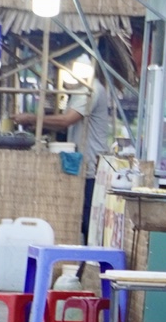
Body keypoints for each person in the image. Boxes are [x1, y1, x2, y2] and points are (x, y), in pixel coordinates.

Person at [36, 67, 116, 233]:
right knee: (79, 220)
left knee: (88, 221)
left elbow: (66, 120)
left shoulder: (89, 90)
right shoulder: (78, 92)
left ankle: (88, 257)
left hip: (91, 167)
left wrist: (32, 119)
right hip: (80, 165)